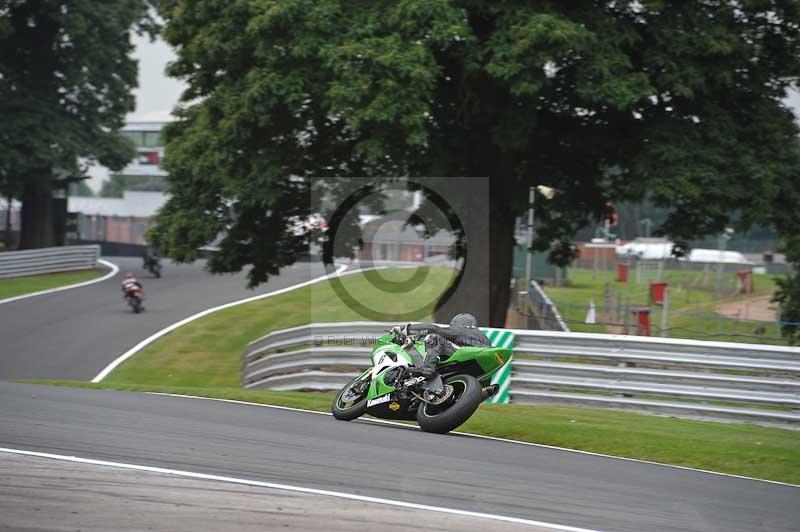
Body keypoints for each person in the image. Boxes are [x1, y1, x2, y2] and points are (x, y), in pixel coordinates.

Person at [393, 313, 490, 373]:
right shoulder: (485, 338)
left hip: (466, 357)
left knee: (434, 337)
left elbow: (434, 329)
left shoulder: (460, 330)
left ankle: (427, 368)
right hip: (480, 370)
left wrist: (408, 330)